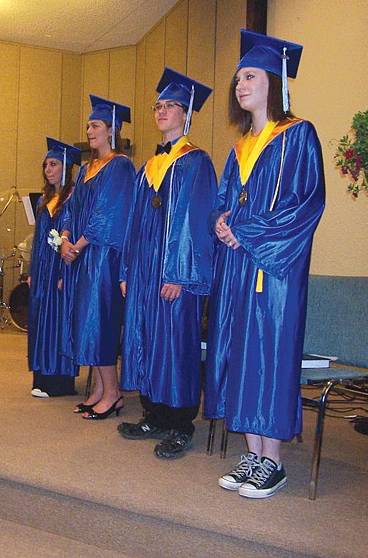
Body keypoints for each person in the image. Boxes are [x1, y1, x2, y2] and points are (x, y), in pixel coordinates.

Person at [203, 30, 325, 498]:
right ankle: (252, 453)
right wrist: (219, 223)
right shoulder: (238, 148)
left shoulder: (298, 136)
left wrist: (246, 231)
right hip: (238, 267)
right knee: (239, 352)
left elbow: (306, 203)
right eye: (237, 78)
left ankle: (274, 459)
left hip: (274, 271)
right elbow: (221, 203)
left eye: (249, 75)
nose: (240, 84)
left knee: (269, 354)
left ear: (274, 82)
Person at [118, 68, 217, 459]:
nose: (161, 111)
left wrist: (179, 274)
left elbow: (195, 221)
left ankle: (180, 423)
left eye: (169, 105)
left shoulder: (196, 162)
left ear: (187, 113)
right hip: (144, 273)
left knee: (176, 344)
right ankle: (154, 414)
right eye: (157, 105)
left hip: (175, 272)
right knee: (145, 337)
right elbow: (133, 223)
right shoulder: (148, 167)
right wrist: (127, 271)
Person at [60, 95, 135, 420]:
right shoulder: (87, 169)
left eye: (95, 126)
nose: (89, 131)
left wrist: (78, 244)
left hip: (104, 256)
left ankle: (113, 393)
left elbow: (109, 214)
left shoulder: (120, 165)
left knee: (101, 323)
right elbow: (71, 208)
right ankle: (101, 390)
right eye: (89, 125)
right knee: (87, 324)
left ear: (111, 131)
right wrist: (63, 238)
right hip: (83, 256)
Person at [28, 137, 81, 398]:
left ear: (66, 167)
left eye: (53, 164)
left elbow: (71, 235)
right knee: (41, 320)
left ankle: (59, 383)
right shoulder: (42, 201)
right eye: (46, 165)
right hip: (44, 268)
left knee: (58, 322)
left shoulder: (72, 197)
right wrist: (32, 272)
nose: (48, 170)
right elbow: (38, 240)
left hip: (61, 267)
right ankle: (41, 378)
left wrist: (64, 273)